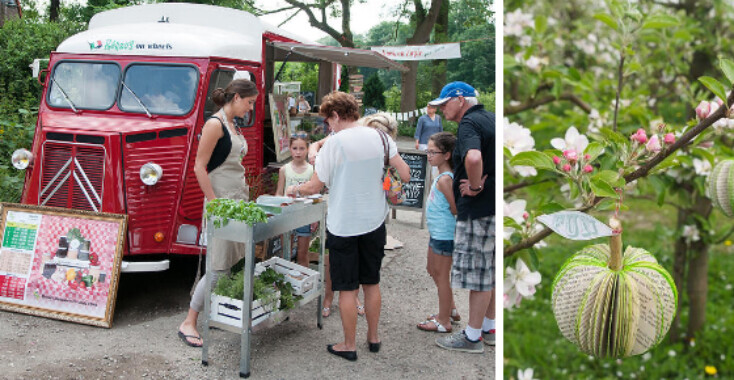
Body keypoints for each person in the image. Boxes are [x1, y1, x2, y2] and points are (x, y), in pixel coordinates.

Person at [285, 92, 410, 361]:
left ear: (336, 116)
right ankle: (373, 337)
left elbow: (315, 186)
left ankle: (349, 344)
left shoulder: (335, 143)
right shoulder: (380, 137)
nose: (328, 127)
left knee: (347, 288)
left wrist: (295, 188)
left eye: (328, 121)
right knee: (372, 282)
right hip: (375, 222)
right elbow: (406, 173)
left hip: (344, 225)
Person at [177, 79, 258, 348]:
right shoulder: (215, 124)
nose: (250, 108)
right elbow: (199, 167)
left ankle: (216, 312)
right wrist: (214, 203)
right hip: (221, 204)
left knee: (233, 260)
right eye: (249, 102)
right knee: (217, 266)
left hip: (236, 200)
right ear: (236, 97)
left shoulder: (233, 125)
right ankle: (189, 321)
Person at [430, 82, 494, 354]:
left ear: (460, 99)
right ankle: (489, 328)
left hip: (477, 211)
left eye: (445, 103)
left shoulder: (469, 123)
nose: (442, 109)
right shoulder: (490, 118)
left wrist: (476, 186)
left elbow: (475, 157)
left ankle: (472, 336)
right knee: (490, 272)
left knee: (478, 274)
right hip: (492, 208)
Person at [417, 132, 461, 334]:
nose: (429, 155)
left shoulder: (446, 180)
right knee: (431, 269)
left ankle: (444, 321)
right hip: (436, 233)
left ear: (447, 155)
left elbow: (455, 208)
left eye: (433, 152)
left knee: (442, 276)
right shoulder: (439, 176)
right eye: (428, 151)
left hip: (444, 235)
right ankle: (450, 309)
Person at [276, 135, 314, 268]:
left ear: (307, 149)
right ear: (290, 150)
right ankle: (283, 282)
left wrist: (315, 218)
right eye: (295, 148)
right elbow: (279, 192)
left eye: (302, 148)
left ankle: (303, 282)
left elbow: (315, 195)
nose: (298, 152)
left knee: (302, 254)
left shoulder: (312, 170)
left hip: (305, 216)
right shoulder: (284, 170)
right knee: (285, 252)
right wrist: (277, 209)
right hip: (287, 215)